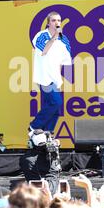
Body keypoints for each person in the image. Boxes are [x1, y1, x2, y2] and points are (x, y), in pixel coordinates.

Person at [20, 11, 72, 195]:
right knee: (55, 103)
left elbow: (66, 59)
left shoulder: (63, 39)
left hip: (55, 79)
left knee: (57, 109)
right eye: (54, 20)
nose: (57, 23)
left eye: (59, 20)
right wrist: (54, 37)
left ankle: (46, 134)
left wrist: (60, 40)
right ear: (48, 23)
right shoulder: (41, 36)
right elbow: (44, 51)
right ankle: (34, 126)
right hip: (44, 78)